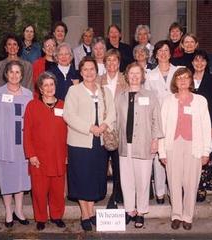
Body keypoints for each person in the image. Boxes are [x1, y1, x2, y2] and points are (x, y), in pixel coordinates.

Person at [63, 56, 116, 231]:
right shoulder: (74, 91)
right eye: (85, 69)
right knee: (81, 177)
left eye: (91, 69)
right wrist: (89, 128)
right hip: (79, 142)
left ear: (96, 70)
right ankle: (84, 213)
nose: (89, 73)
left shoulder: (105, 91)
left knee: (94, 177)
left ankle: (91, 209)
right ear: (81, 71)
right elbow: (69, 116)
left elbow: (112, 112)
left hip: (99, 142)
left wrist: (104, 125)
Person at [159, 67, 212, 230]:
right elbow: (161, 128)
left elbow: (206, 126)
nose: (182, 81)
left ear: (191, 81)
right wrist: (162, 151)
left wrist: (206, 151)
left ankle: (188, 216)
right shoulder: (168, 101)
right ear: (175, 81)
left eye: (186, 78)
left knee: (191, 183)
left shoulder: (200, 100)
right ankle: (176, 215)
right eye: (179, 78)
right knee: (174, 182)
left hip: (194, 146)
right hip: (172, 145)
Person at [116, 62, 163, 228]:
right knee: (126, 179)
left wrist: (156, 140)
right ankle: (129, 210)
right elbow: (116, 120)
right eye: (131, 73)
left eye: (138, 73)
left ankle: (141, 211)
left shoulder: (150, 95)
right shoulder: (120, 96)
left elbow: (157, 118)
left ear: (142, 76)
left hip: (144, 143)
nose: (134, 76)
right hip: (124, 144)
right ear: (127, 76)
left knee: (143, 180)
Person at [0, 60, 32, 228]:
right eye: (11, 72)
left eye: (18, 72)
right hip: (5, 142)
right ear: (6, 74)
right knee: (6, 177)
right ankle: (8, 211)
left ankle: (19, 210)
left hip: (22, 143)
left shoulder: (28, 94)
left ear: (22, 75)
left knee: (21, 177)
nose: (14, 75)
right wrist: (2, 133)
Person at [23, 72, 67, 231]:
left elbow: (69, 131)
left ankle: (56, 216)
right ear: (40, 89)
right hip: (39, 157)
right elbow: (27, 132)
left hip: (59, 155)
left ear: (56, 86)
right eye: (45, 85)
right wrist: (31, 154)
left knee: (57, 189)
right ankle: (41, 218)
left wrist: (68, 154)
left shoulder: (63, 105)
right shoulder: (32, 106)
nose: (49, 88)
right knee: (39, 190)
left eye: (52, 84)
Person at [145, 40, 180, 205]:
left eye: (166, 50)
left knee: (174, 157)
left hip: (177, 120)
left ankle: (175, 192)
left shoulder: (179, 71)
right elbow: (147, 100)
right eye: (160, 51)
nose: (163, 53)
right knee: (159, 157)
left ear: (170, 53)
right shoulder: (150, 75)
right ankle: (160, 193)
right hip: (157, 121)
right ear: (156, 54)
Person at [191, 49, 212, 201]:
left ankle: (201, 188)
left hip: (207, 124)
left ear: (206, 63)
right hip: (189, 125)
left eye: (202, 60)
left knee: (204, 156)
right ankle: (192, 186)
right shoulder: (187, 79)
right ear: (192, 63)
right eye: (196, 60)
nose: (199, 63)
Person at [97, 49, 128, 208]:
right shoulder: (97, 80)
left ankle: (118, 193)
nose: (111, 64)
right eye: (108, 61)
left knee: (118, 163)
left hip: (120, 127)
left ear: (119, 62)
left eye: (114, 60)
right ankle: (100, 192)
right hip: (102, 128)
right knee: (101, 163)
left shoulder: (126, 80)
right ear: (104, 63)